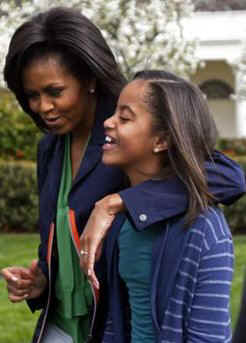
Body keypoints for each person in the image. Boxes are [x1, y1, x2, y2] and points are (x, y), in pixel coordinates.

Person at [0, 6, 245, 343]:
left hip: (108, 326)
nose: (43, 107)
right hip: (58, 326)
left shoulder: (130, 131)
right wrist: (41, 282)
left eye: (55, 92)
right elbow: (57, 242)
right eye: (32, 96)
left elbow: (229, 178)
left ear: (88, 80)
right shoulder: (50, 148)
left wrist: (119, 201)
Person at [81, 70, 240, 343]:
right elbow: (116, 321)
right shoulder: (123, 222)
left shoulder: (204, 228)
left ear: (162, 140)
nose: (107, 122)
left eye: (125, 117)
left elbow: (209, 336)